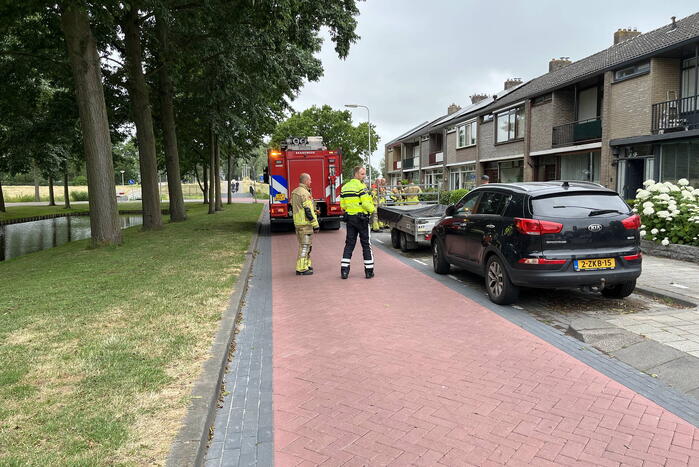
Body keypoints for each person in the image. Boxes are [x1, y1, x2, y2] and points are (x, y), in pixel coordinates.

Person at [340, 166, 375, 279]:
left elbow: (343, 205)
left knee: (349, 244)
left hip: (350, 219)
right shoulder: (361, 187)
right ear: (356, 174)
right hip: (362, 219)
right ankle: (369, 271)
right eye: (362, 174)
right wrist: (372, 209)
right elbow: (365, 203)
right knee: (366, 245)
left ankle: (344, 271)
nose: (364, 176)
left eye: (364, 174)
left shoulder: (344, 188)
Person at [291, 173, 319, 276]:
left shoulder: (295, 192)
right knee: (305, 246)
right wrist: (315, 224)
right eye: (310, 180)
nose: (311, 182)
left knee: (306, 246)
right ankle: (301, 268)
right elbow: (308, 210)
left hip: (298, 223)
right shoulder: (305, 193)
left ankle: (306, 265)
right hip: (305, 224)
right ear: (306, 181)